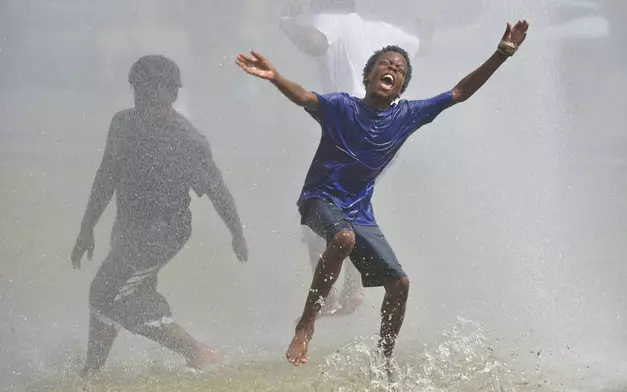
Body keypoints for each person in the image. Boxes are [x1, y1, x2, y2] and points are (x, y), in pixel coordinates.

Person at [236, 20, 529, 368]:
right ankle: (306, 325)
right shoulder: (341, 107)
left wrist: (502, 53)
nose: (392, 68)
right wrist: (276, 78)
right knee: (342, 238)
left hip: (359, 211)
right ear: (368, 75)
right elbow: (304, 96)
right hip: (318, 198)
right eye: (385, 64)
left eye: (400, 69)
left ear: (401, 87)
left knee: (400, 283)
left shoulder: (407, 115)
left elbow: (459, 92)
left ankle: (384, 362)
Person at [71, 55, 248, 376]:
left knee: (107, 292)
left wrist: (237, 233)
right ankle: (90, 372)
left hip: (163, 232)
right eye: (139, 93)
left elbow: (218, 191)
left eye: (154, 94)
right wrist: (87, 228)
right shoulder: (123, 124)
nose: (146, 102)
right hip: (128, 227)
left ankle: (198, 353)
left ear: (173, 95)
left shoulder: (187, 140)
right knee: (119, 295)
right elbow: (106, 176)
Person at [279, 0, 430, 317]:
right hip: (386, 132)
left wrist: (288, 22)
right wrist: (428, 22)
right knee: (348, 200)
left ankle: (332, 298)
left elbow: (315, 42)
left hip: (353, 126)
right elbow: (423, 44)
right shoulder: (382, 30)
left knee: (316, 210)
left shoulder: (331, 20)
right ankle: (351, 290)